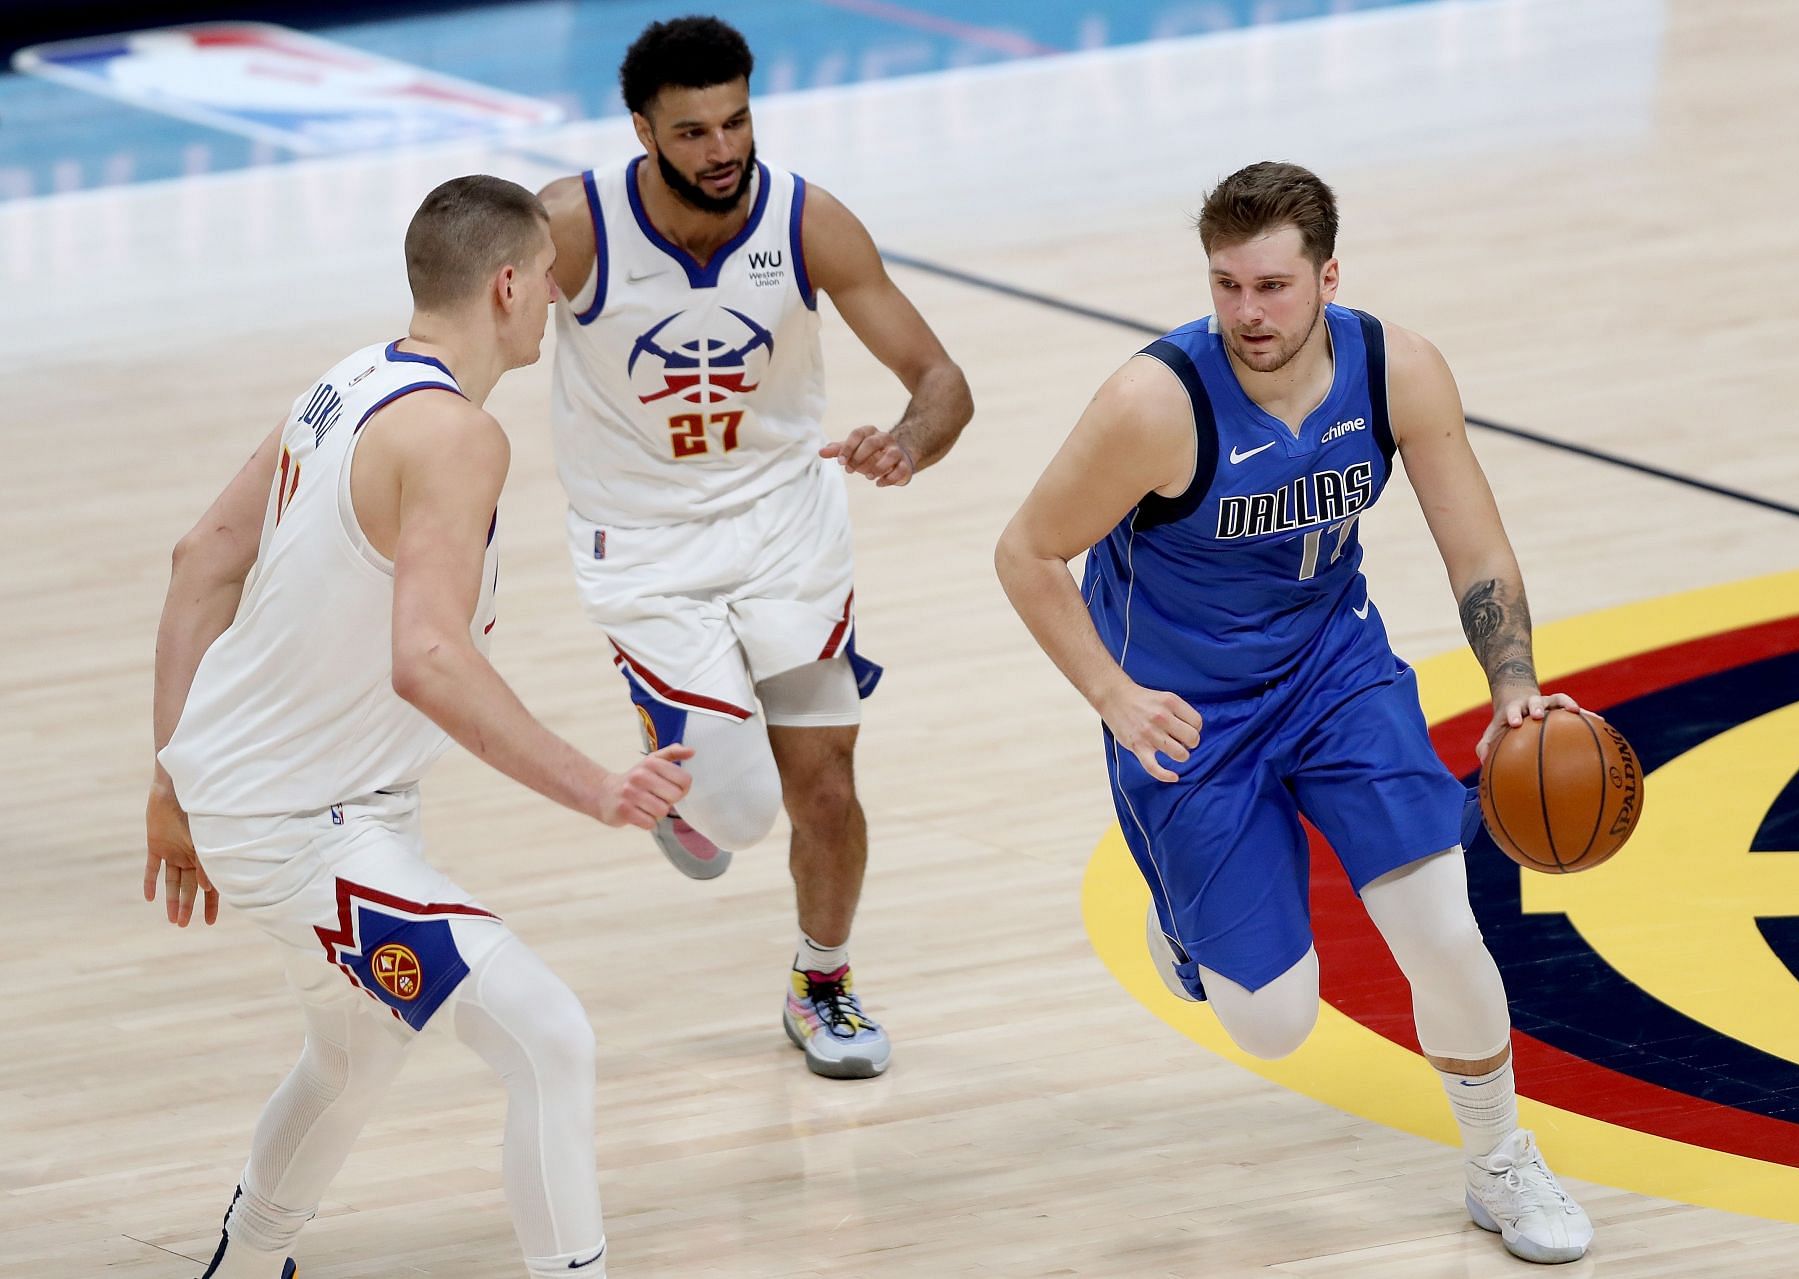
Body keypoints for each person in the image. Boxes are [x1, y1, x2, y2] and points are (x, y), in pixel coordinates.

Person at [995, 161, 1594, 1264]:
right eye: (1226, 286)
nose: (1247, 314)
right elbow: (1027, 551)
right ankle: (1185, 922)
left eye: (1271, 286)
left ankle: (1502, 1161)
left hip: (1333, 675)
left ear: (1328, 276)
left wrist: (1515, 681)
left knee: (1444, 931)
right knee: (1274, 1021)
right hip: (1187, 712)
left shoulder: (1396, 366)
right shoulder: (1156, 402)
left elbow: (1476, 543)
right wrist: (1111, 694)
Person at [147, 175, 694, 1279]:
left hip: (277, 805)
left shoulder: (347, 381)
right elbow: (430, 657)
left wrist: (173, 777)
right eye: (547, 283)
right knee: (547, 1033)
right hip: (304, 826)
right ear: (505, 287)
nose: (554, 303)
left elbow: (200, 559)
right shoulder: (454, 437)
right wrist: (597, 785)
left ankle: (246, 1264)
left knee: (356, 1050)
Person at [538, 15, 972, 1080]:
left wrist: (907, 443)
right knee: (733, 813)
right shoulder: (568, 227)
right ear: (641, 129)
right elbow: (455, 342)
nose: (722, 149)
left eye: (735, 120)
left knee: (825, 781)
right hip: (642, 543)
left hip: (789, 531)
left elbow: (944, 382)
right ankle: (679, 747)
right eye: (691, 132)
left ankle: (821, 981)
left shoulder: (808, 220)